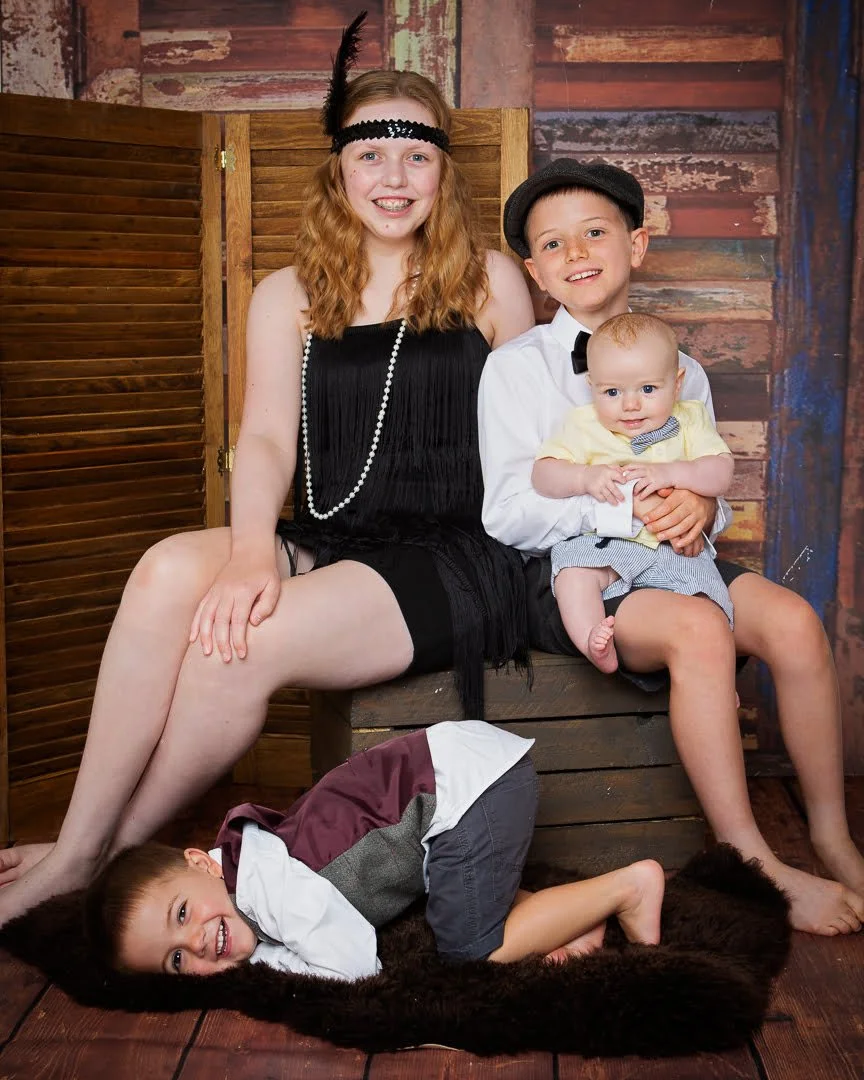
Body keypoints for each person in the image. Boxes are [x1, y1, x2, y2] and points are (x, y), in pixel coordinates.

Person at [0, 18, 535, 928]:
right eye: (371, 155)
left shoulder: (489, 280)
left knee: (231, 652)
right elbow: (264, 441)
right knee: (165, 570)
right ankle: (79, 843)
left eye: (416, 156)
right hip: (334, 532)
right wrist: (255, 551)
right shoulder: (287, 293)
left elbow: (537, 435)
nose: (394, 177)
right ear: (338, 171)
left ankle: (93, 860)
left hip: (454, 554)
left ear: (444, 173)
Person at [478, 158, 864, 936]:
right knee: (698, 627)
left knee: (794, 622)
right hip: (574, 569)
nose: (576, 252)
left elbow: (705, 473)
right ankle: (753, 860)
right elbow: (507, 513)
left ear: (637, 244)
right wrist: (624, 506)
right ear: (535, 273)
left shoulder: (680, 366)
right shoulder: (515, 370)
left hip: (671, 556)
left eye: (595, 232)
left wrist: (702, 509)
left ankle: (831, 834)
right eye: (552, 244)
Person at [84, 722, 665, 978]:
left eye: (182, 913)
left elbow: (354, 963)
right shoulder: (246, 869)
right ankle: (575, 920)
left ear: (199, 862)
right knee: (461, 900)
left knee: (468, 951)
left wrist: (273, 968)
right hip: (465, 781)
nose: (194, 943)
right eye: (176, 962)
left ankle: (628, 888)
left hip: (469, 790)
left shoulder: (263, 884)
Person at [533, 311, 734, 674]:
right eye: (612, 392)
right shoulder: (583, 424)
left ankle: (715, 674)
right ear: (592, 387)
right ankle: (593, 640)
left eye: (648, 389)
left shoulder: (689, 419)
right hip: (605, 544)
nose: (630, 405)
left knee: (707, 603)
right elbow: (542, 475)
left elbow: (721, 472)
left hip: (674, 548)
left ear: (677, 383)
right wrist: (584, 477)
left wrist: (674, 472)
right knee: (572, 573)